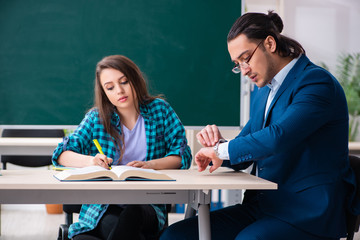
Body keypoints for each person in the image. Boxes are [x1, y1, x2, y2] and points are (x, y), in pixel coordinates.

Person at [161, 11, 360, 240]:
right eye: (237, 64)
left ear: (270, 43)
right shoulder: (263, 90)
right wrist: (218, 147)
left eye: (246, 58)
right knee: (176, 235)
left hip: (307, 212)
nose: (244, 70)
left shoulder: (316, 83)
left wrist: (220, 150)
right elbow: (247, 148)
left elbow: (278, 137)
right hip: (264, 207)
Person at [52, 55, 192, 240]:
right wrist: (91, 161)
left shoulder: (160, 110)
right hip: (103, 206)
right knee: (114, 225)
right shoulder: (97, 118)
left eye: (124, 82)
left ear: (135, 79)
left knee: (130, 216)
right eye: (110, 87)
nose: (119, 91)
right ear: (104, 92)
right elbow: (61, 154)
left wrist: (151, 165)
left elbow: (183, 155)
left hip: (146, 204)